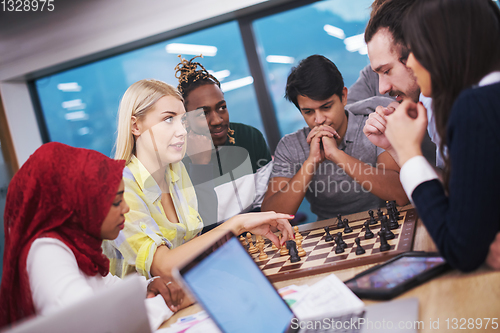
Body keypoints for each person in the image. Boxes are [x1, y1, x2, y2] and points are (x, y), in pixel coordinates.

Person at [105, 78, 293, 280]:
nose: (182, 131)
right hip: (146, 308)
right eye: (169, 119)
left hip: (186, 294)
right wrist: (238, 224)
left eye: (183, 121)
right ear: (135, 126)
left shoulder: (176, 171)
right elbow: (163, 266)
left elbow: (193, 247)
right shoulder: (120, 188)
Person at [0, 143, 174, 330]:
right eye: (116, 202)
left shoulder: (80, 247)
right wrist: (171, 301)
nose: (126, 208)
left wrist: (149, 286)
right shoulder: (46, 252)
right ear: (82, 204)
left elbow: (111, 290)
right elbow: (95, 326)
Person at [383, 0, 500, 271]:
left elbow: (461, 249)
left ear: (443, 46)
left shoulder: (475, 107)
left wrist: (409, 154)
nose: (410, 62)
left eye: (413, 50)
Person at [261, 55, 408, 221]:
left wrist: (336, 155)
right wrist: (311, 162)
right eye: (308, 112)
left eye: (326, 107)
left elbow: (401, 195)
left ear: (344, 96)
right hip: (327, 237)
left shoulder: (373, 126)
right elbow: (270, 219)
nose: (319, 119)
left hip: (384, 225)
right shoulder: (290, 146)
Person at [174, 56, 274, 231]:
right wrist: (200, 165)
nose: (217, 120)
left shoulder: (250, 137)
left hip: (258, 237)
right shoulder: (176, 159)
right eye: (203, 113)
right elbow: (198, 226)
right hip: (214, 249)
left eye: (222, 107)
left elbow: (266, 204)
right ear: (186, 120)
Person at [350, 0, 441, 168]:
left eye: (387, 71)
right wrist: (395, 148)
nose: (382, 89)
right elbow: (447, 190)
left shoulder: (462, 104)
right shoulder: (435, 103)